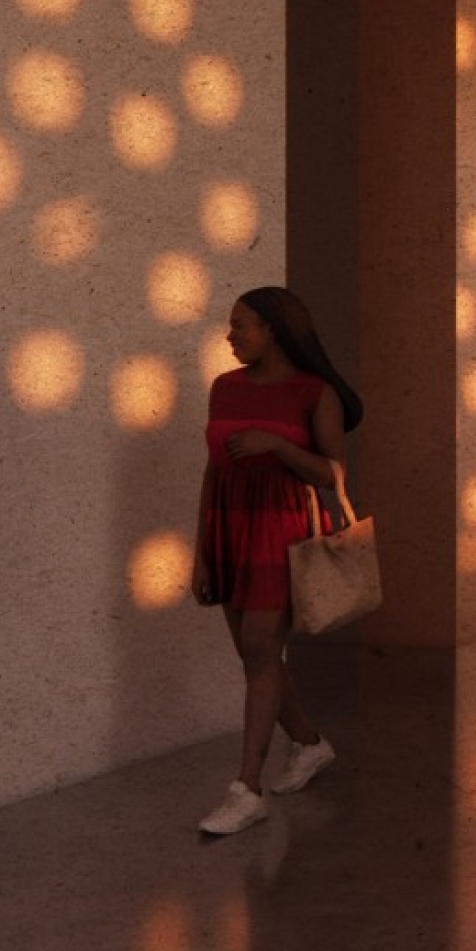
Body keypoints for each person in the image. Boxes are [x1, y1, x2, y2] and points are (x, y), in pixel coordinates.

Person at [190, 286, 364, 836]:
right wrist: (201, 552)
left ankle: (247, 790)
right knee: (256, 654)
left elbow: (334, 475)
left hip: (281, 533)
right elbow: (214, 469)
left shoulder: (315, 393)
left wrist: (279, 446)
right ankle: (309, 745)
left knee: (261, 650)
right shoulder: (224, 387)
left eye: (240, 325)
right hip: (229, 527)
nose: (230, 335)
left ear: (273, 330)